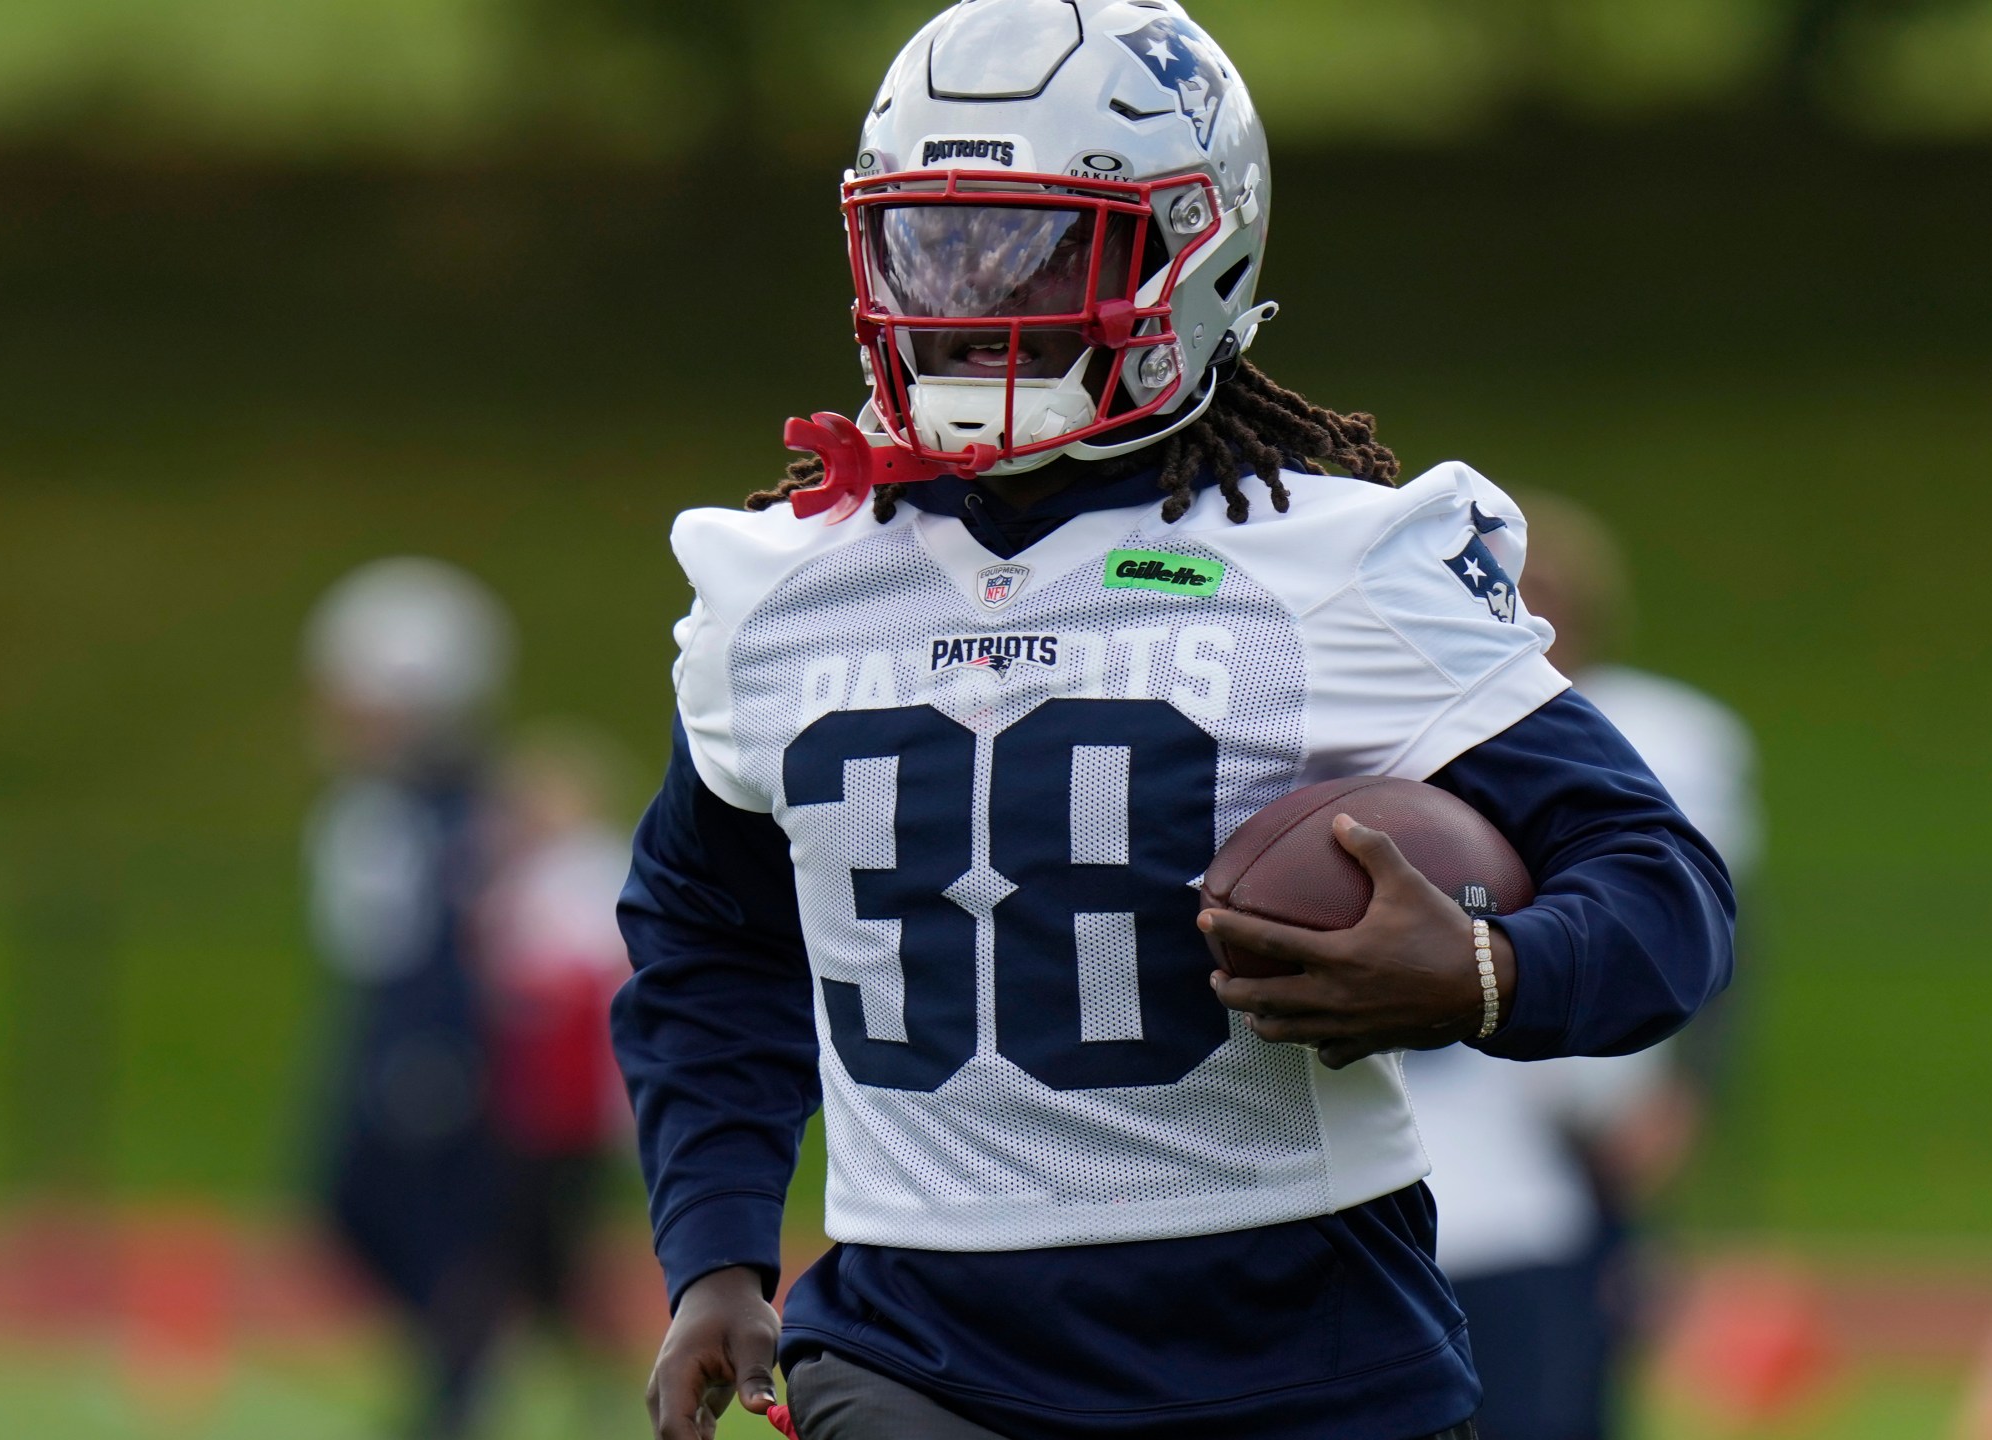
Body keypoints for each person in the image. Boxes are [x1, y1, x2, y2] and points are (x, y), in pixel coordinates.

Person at [612, 5, 1737, 1439]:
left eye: (1035, 244)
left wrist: (1484, 972)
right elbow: (708, 933)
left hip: (1296, 1351)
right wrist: (713, 1247)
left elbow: (1663, 891)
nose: (971, 294)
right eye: (932, 243)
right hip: (916, 1351)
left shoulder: (1337, 561)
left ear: (1192, 249)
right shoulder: (777, 583)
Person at [1407, 494, 1764, 1440]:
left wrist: (1686, 1085)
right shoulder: (1393, 721)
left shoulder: (1668, 733)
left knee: (1580, 1352)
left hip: (1588, 1078)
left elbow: (1716, 926)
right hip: (1453, 1098)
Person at [304, 558, 516, 1439]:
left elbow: (447, 940)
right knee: (353, 1207)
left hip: (427, 1042)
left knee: (416, 1220)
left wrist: (433, 1045)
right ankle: (454, 1371)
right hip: (384, 1026)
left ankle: (457, 1389)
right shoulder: (394, 798)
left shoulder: (453, 804)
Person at [476, 728, 636, 1358]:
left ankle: (586, 1346)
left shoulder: (587, 872)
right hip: (533, 1090)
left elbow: (581, 981)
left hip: (568, 1095)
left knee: (547, 1229)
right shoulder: (528, 875)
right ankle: (578, 1345)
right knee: (536, 1233)